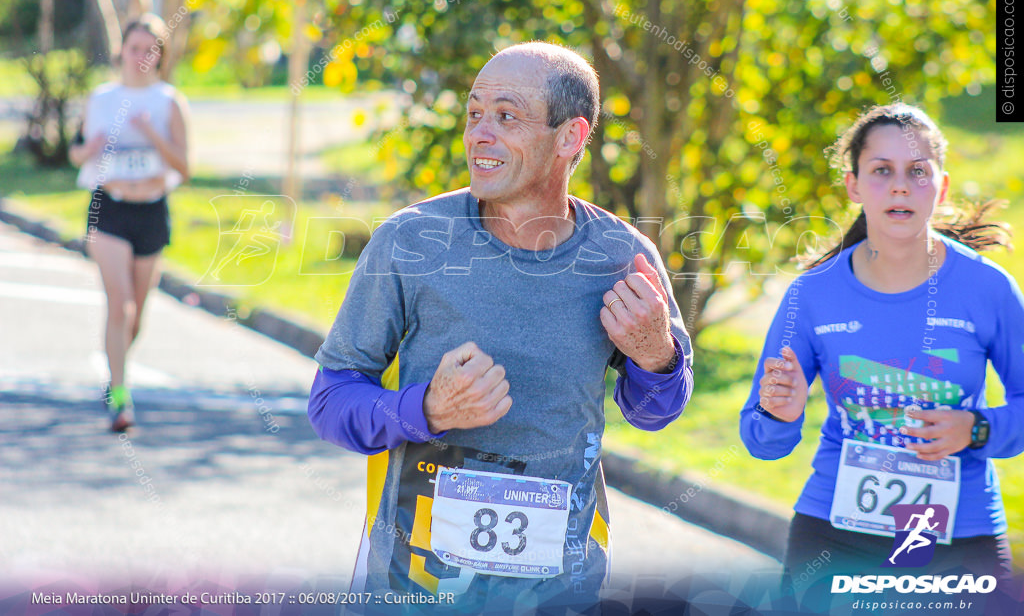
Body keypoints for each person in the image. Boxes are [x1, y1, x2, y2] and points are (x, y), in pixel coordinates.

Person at [308, 42, 693, 613]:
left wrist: (656, 356)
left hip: (560, 588)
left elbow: (655, 411)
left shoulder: (620, 255)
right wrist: (427, 412)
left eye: (506, 116)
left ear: (571, 137)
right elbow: (330, 402)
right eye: (474, 113)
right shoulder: (409, 241)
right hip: (414, 588)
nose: (479, 134)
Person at [739, 104, 1022, 601]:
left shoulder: (987, 288)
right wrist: (781, 415)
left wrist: (975, 429)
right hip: (833, 535)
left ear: (943, 186)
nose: (899, 186)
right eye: (881, 171)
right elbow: (761, 438)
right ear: (853, 185)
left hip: (961, 536)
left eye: (917, 172)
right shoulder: (813, 295)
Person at [69, 14, 190, 431]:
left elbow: (184, 166)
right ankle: (121, 398)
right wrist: (91, 149)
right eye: (134, 48)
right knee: (119, 304)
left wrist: (152, 135)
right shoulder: (101, 97)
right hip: (109, 207)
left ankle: (113, 372)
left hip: (151, 211)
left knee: (136, 315)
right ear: (122, 50)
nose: (141, 57)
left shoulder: (169, 101)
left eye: (150, 50)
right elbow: (77, 153)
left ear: (160, 56)